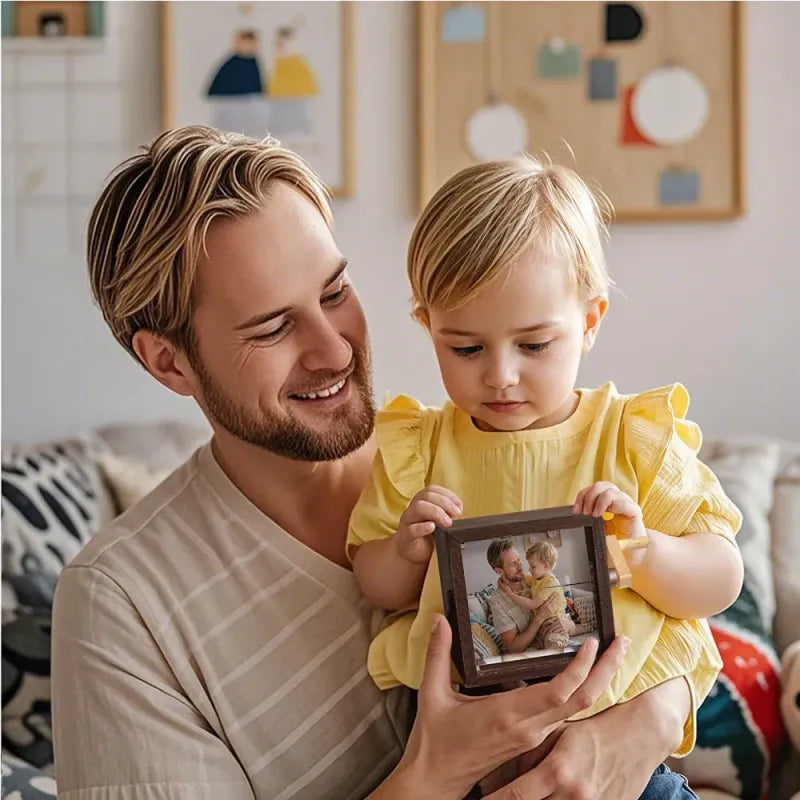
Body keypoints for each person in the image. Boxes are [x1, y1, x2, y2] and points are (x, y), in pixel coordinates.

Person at [51, 127, 697, 800]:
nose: (334, 351)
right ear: (168, 361)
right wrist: (435, 773)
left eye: (334, 293)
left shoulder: (467, 452)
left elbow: (671, 611)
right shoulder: (120, 606)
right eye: (272, 328)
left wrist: (651, 716)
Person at [346, 157, 745, 789]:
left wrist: (643, 554)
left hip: (623, 764)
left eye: (533, 345)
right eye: (466, 348)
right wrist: (404, 551)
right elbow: (377, 586)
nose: (500, 374)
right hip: (471, 761)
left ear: (589, 321)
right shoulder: (415, 448)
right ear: (427, 326)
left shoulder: (633, 435)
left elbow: (721, 577)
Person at [491, 539, 572, 652]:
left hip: (554, 632)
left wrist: (568, 625)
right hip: (536, 644)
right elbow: (514, 648)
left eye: (519, 560)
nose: (520, 566)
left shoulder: (536, 580)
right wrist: (540, 617)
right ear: (499, 571)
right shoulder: (497, 603)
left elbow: (567, 620)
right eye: (513, 564)